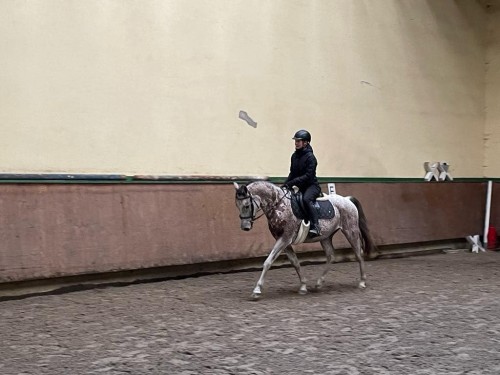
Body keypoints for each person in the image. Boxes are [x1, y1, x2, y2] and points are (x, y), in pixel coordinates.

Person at [282, 129, 322, 236]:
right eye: (295, 141)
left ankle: (316, 226)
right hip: (300, 186)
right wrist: (285, 184)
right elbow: (292, 173)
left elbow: (308, 176)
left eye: (298, 141)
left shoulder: (311, 158)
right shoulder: (294, 156)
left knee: (306, 199)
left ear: (305, 142)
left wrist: (293, 182)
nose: (296, 143)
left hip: (311, 186)